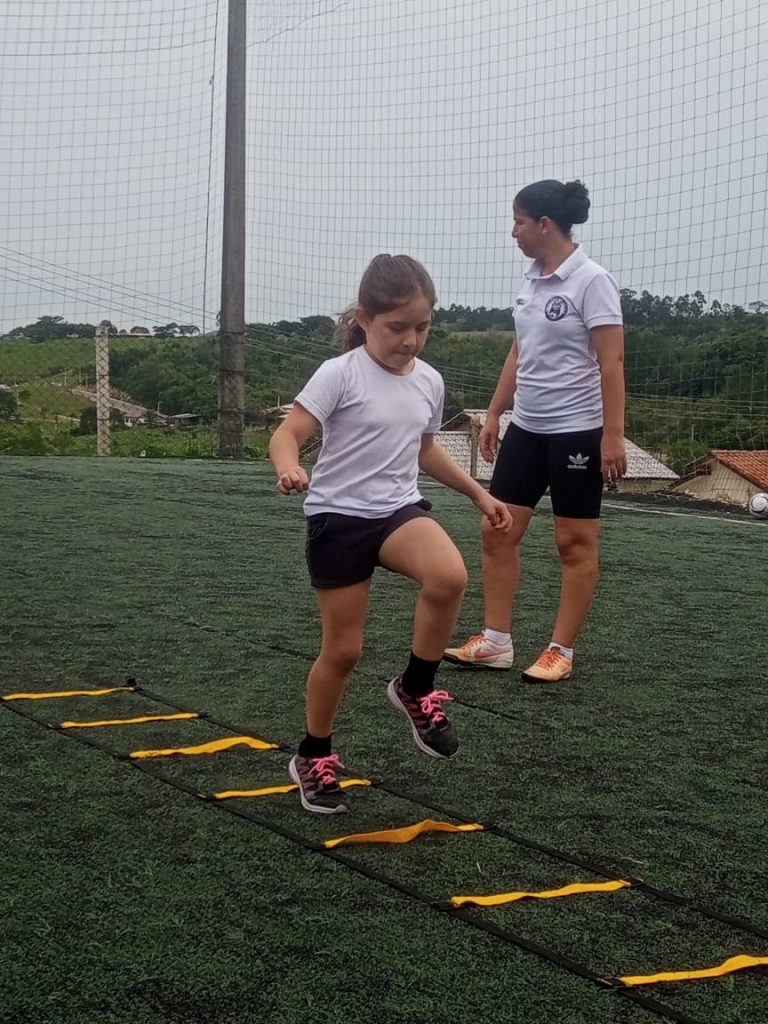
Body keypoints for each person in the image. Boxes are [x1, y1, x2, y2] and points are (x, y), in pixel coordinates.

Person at [269, 254, 512, 814]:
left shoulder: (429, 381)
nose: (410, 341)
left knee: (449, 574)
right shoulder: (340, 374)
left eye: (422, 327)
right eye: (397, 328)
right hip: (338, 518)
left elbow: (425, 451)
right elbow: (290, 433)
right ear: (364, 319)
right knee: (344, 651)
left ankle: (416, 687)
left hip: (398, 509)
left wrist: (479, 492)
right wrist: (288, 465)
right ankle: (314, 753)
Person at [444, 179, 626, 683]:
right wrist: (496, 413)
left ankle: (560, 650)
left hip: (576, 433)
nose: (514, 232)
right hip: (527, 427)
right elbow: (519, 351)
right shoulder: (529, 280)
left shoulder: (592, 280)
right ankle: (496, 642)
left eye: (519, 221)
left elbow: (612, 363)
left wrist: (612, 436)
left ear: (545, 225)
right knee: (497, 528)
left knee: (573, 542)